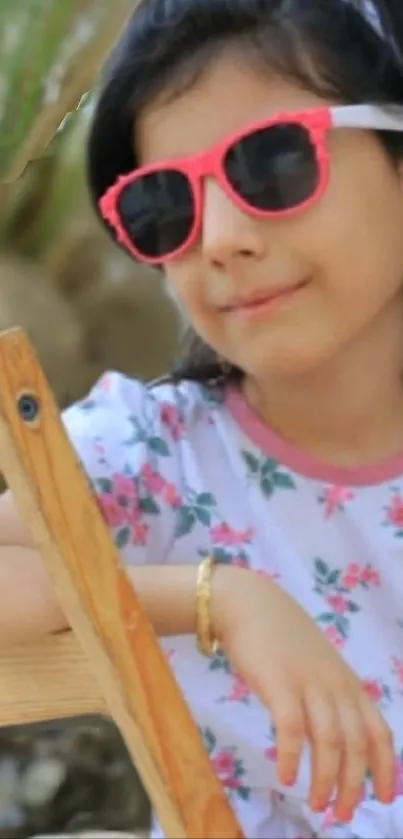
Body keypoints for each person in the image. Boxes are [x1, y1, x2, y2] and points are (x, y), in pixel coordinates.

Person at [1, 0, 403, 835]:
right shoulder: (154, 461)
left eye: (275, 163)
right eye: (164, 206)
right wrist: (216, 599)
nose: (218, 238)